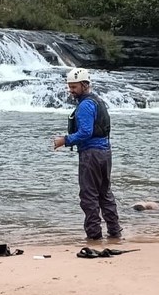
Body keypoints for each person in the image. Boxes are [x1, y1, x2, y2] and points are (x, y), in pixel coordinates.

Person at [52, 67, 122, 240]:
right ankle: (115, 232)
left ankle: (94, 236)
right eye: (69, 87)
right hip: (105, 153)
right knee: (105, 194)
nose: (71, 91)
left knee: (88, 196)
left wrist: (64, 140)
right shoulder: (98, 100)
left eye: (74, 87)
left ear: (84, 85)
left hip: (91, 154)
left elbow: (85, 132)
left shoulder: (85, 105)